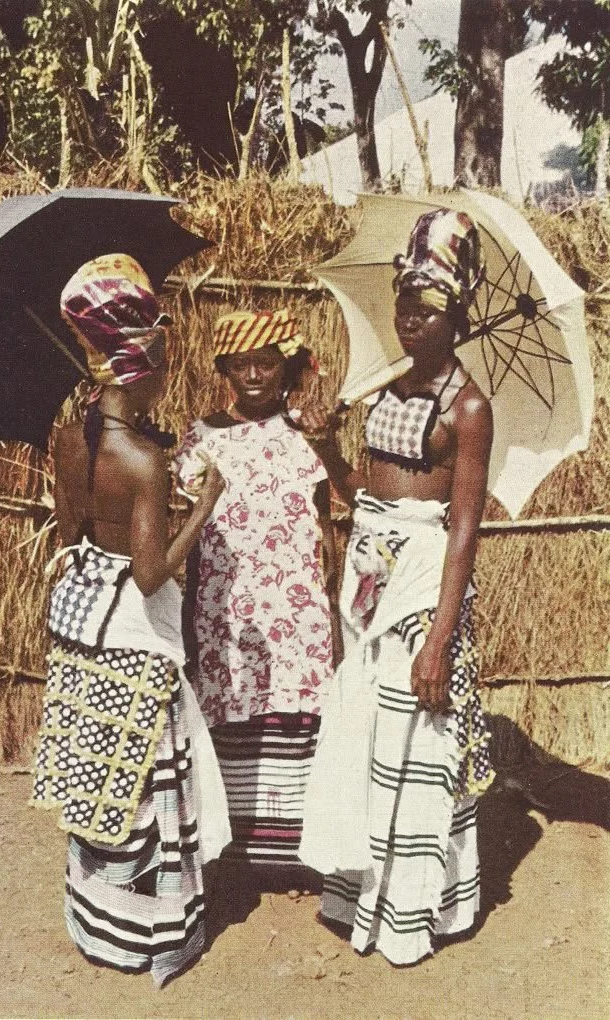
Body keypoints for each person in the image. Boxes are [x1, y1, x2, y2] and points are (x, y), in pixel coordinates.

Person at [298, 208, 496, 965]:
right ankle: (361, 896)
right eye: (405, 305)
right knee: (367, 735)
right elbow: (361, 490)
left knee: (416, 736)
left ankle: (411, 912)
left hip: (420, 581)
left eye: (428, 308)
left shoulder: (467, 408)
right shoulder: (387, 387)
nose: (411, 320)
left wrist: (440, 640)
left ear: (458, 315)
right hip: (370, 572)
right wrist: (325, 448)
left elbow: (463, 531)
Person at [31, 253, 230, 987]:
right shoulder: (140, 459)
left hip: (88, 618)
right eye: (161, 356)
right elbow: (150, 574)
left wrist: (152, 466)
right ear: (137, 357)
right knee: (146, 777)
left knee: (99, 768)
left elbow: (72, 528)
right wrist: (202, 507)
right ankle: (150, 929)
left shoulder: (70, 436)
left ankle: (98, 919)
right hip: (135, 626)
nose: (166, 370)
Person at [175, 309, 341, 873]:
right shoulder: (201, 438)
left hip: (296, 613)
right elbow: (191, 537)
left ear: (285, 367)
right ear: (224, 367)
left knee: (295, 713)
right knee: (232, 710)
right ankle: (236, 855)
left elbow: (327, 534)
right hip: (225, 609)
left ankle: (294, 857)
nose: (253, 375)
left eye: (265, 363)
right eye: (241, 364)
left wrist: (331, 614)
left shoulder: (307, 437)